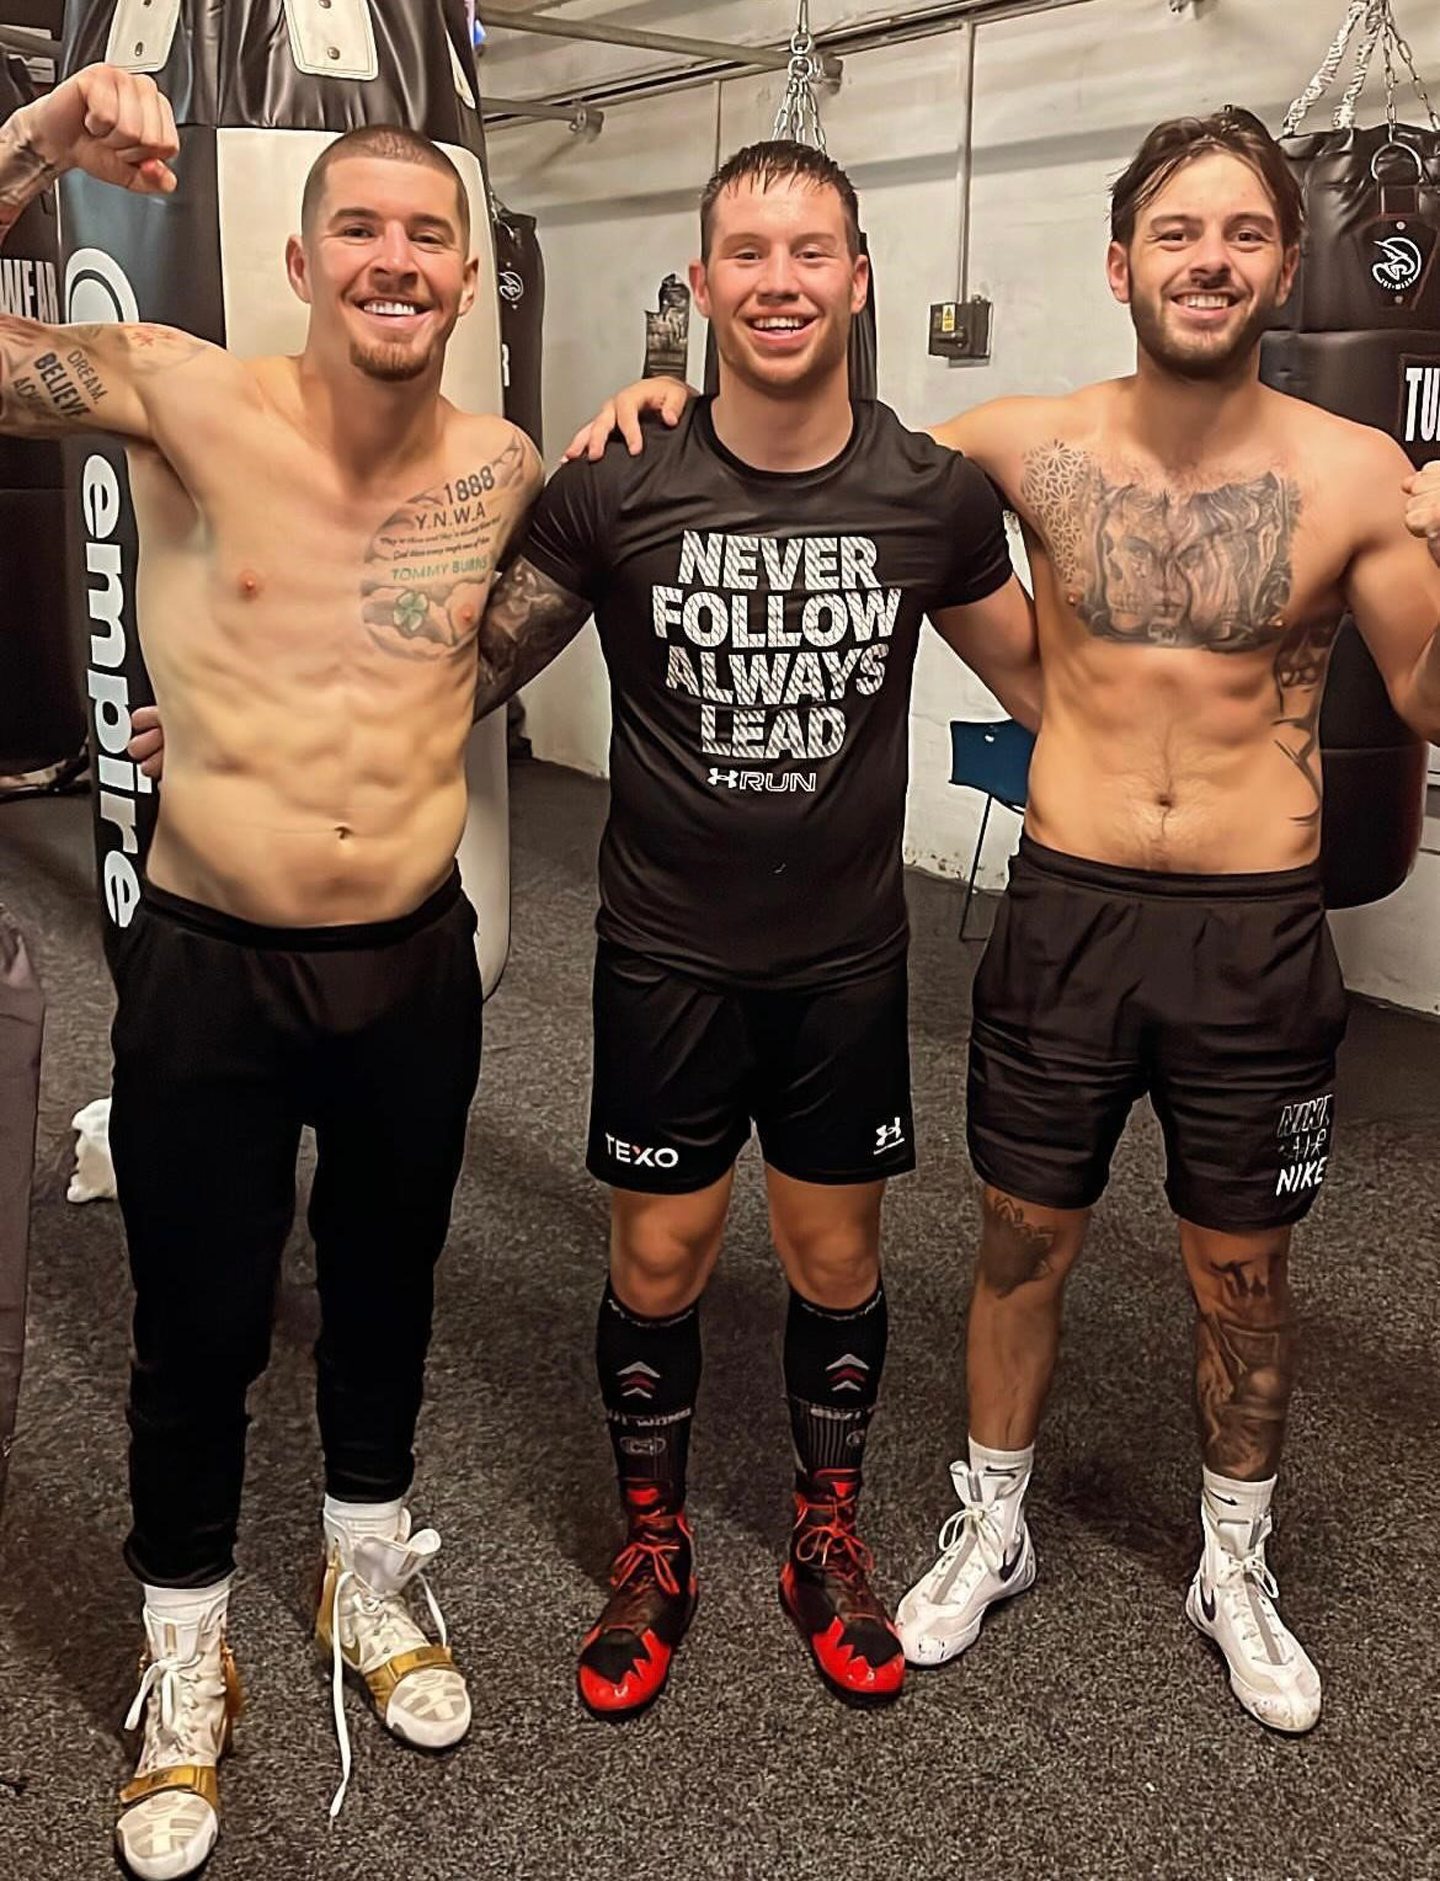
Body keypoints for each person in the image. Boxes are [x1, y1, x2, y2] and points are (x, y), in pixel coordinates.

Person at [566, 107, 1440, 1735]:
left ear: (1286, 262)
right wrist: (669, 398)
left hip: (1257, 924)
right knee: (1019, 1237)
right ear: (1121, 263)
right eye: (1177, 232)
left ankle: (1232, 1560)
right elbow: (814, 446)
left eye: (1244, 233)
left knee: (1241, 1270)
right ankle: (991, 1522)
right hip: (1069, 910)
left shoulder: (1359, 478)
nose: (1210, 259)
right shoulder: (1011, 447)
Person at [0, 63, 540, 1877]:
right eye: (362, 230)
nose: (398, 258)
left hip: (413, 958)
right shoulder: (177, 393)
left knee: (387, 1296)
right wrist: (39, 145)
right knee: (199, 1328)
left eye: (429, 233)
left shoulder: (501, 465)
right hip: (212, 966)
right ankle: (186, 1649)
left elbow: (472, 648)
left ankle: (368, 1572)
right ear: (304, 261)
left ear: (467, 277)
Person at [461, 139, 1040, 1721]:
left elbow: (1060, 685)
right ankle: (654, 1549)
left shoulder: (930, 495)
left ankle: (822, 1531)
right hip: (666, 955)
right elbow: (456, 672)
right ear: (702, 283)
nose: (779, 281)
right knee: (658, 1256)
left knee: (833, 1250)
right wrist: (246, 710)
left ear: (857, 275)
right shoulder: (620, 483)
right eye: (747, 253)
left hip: (846, 959)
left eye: (811, 252)